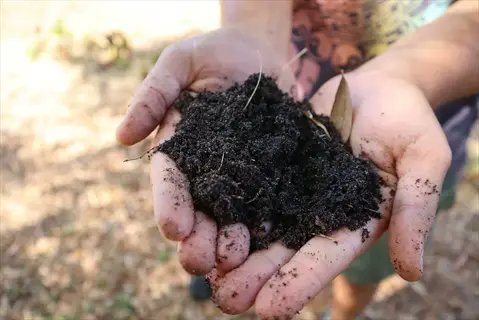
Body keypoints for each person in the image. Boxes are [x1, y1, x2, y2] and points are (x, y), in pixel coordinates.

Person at [116, 0, 478, 319]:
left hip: (401, 130)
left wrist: (409, 74)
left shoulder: (378, 159)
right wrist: (250, 30)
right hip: (277, 69)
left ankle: (341, 313)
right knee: (211, 219)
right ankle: (209, 266)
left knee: (360, 261)